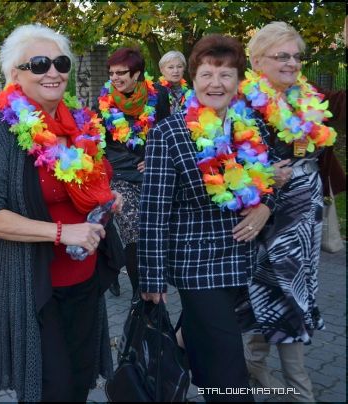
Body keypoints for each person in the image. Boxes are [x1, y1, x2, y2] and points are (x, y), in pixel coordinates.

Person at [0, 24, 124, 401]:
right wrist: (60, 232)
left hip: (84, 280)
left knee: (79, 383)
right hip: (33, 288)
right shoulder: (0, 130)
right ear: (15, 75)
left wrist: (106, 199)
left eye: (60, 63)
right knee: (51, 389)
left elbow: (90, 185)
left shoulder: (81, 123)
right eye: (39, 64)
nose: (52, 72)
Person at [139, 34, 276, 402]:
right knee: (229, 371)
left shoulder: (251, 125)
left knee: (204, 350)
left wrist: (265, 205)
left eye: (226, 74)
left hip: (244, 262)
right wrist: (152, 277)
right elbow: (153, 211)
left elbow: (268, 181)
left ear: (238, 80)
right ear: (194, 78)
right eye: (207, 74)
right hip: (198, 266)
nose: (216, 83)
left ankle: (167, 378)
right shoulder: (169, 133)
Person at [239, 21, 344, 402]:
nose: (292, 63)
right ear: (257, 61)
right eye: (281, 56)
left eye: (297, 56)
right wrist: (263, 175)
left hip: (305, 212)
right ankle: (299, 387)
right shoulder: (243, 102)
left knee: (279, 288)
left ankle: (255, 363)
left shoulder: (307, 95)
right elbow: (226, 160)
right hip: (266, 213)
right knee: (281, 288)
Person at [97, 47, 169, 297]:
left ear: (136, 73)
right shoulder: (104, 102)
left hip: (151, 173)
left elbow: (166, 131)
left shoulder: (158, 95)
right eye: (111, 73)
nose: (114, 78)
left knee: (154, 231)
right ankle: (141, 296)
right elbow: (97, 143)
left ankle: (155, 282)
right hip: (120, 175)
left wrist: (154, 157)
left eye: (121, 73)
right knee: (133, 229)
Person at [155, 50, 190, 114]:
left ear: (184, 69)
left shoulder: (190, 92)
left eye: (179, 66)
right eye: (171, 67)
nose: (176, 71)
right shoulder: (154, 91)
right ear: (162, 70)